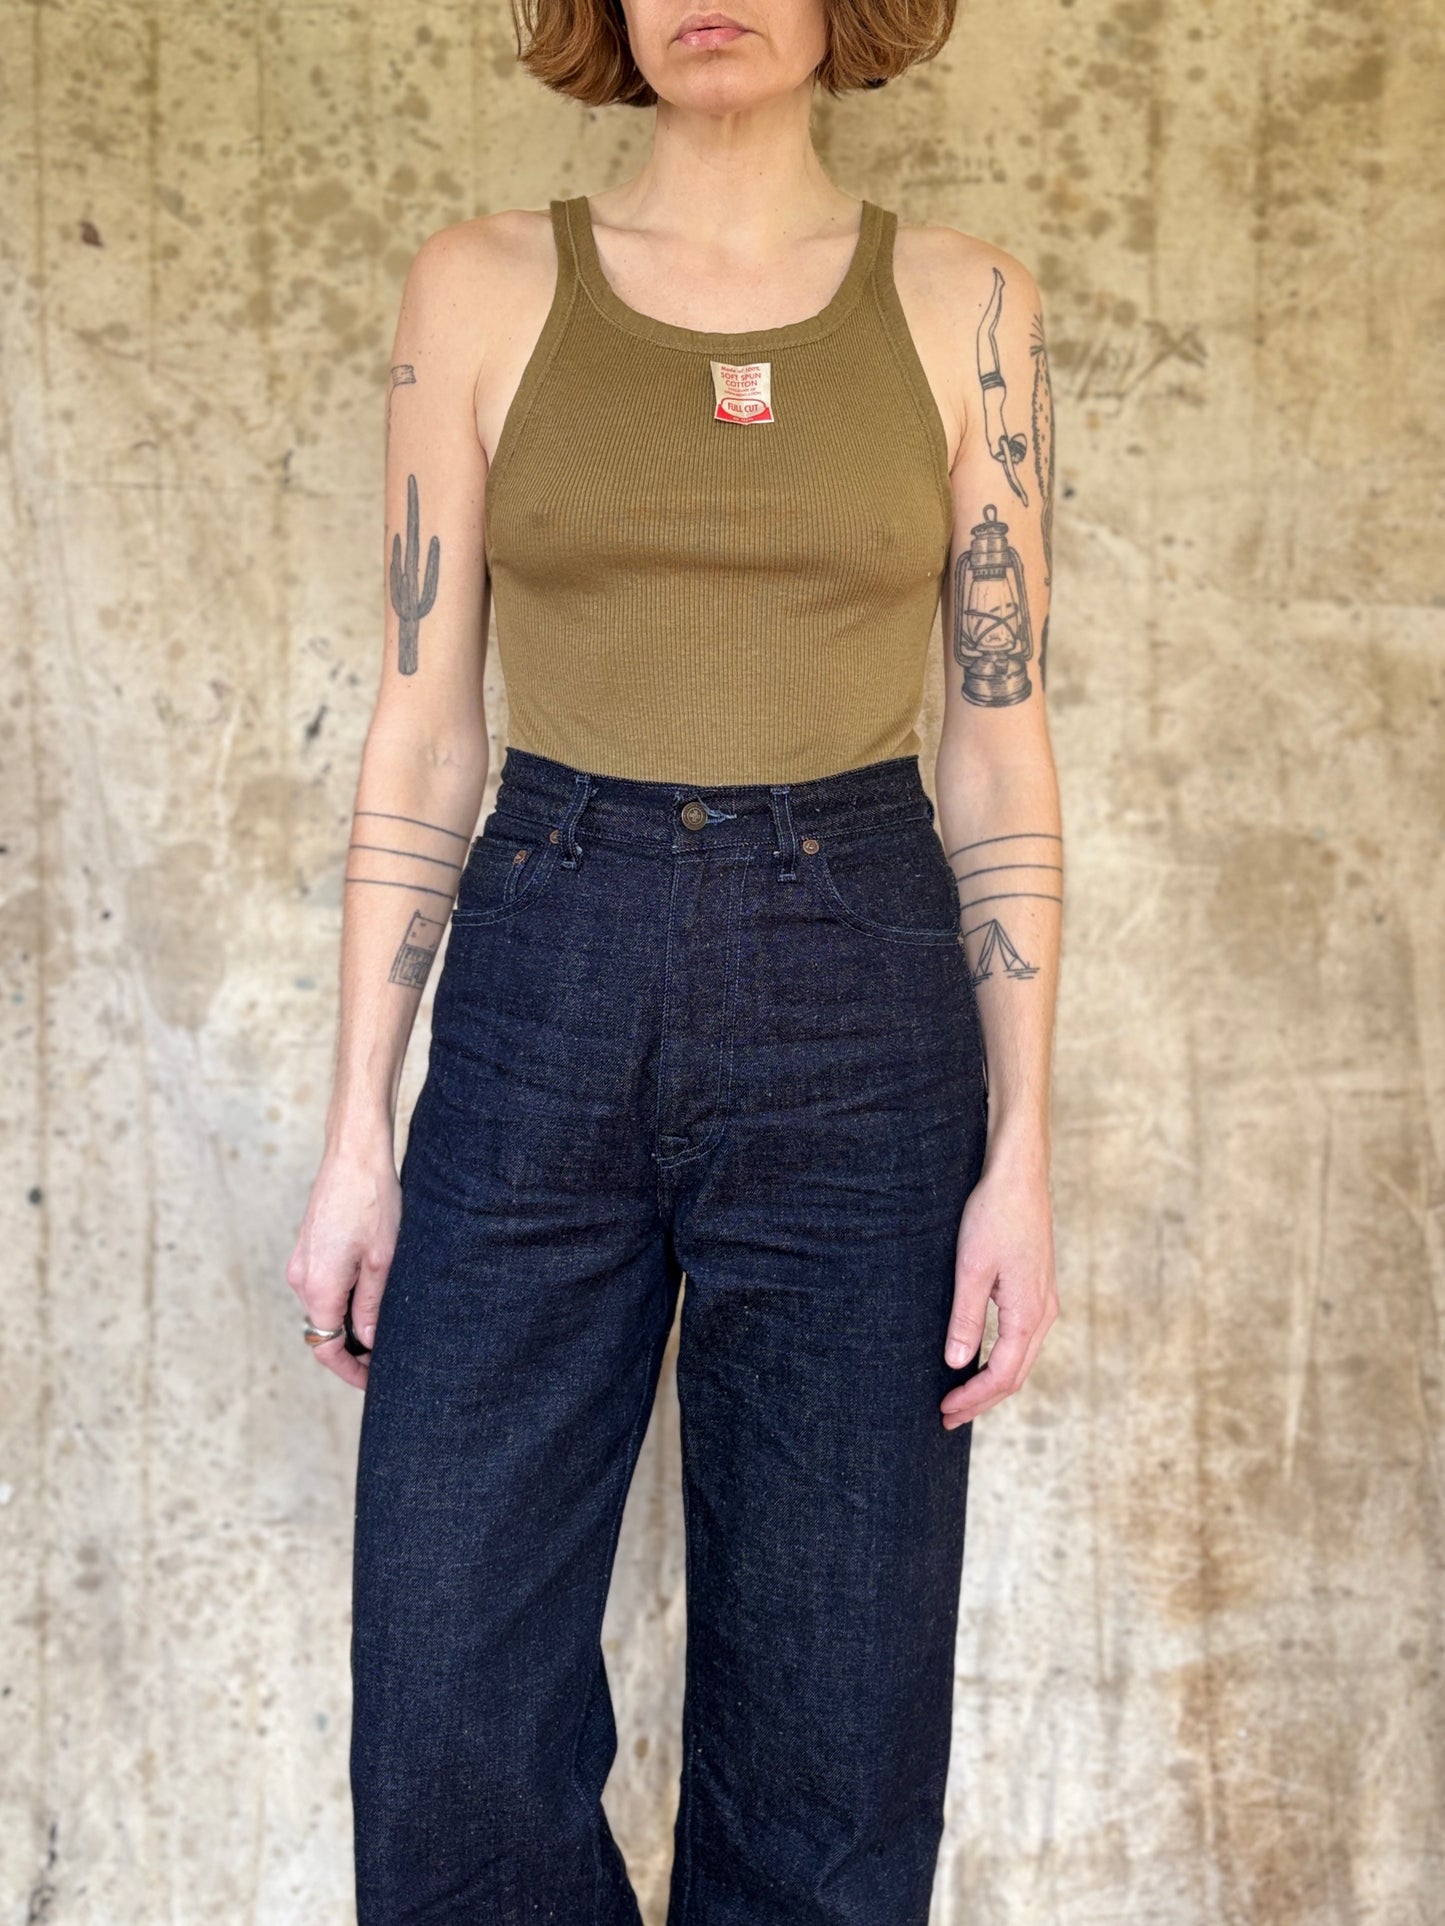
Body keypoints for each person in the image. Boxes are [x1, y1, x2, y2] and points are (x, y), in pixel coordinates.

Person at [285, 0, 1062, 1918]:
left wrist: (1022, 1151)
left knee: (833, 1723)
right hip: (544, 966)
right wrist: (359, 1133)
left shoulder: (966, 306)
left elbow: (994, 738)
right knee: (448, 1698)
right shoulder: (481, 287)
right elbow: (423, 731)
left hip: (862, 997)